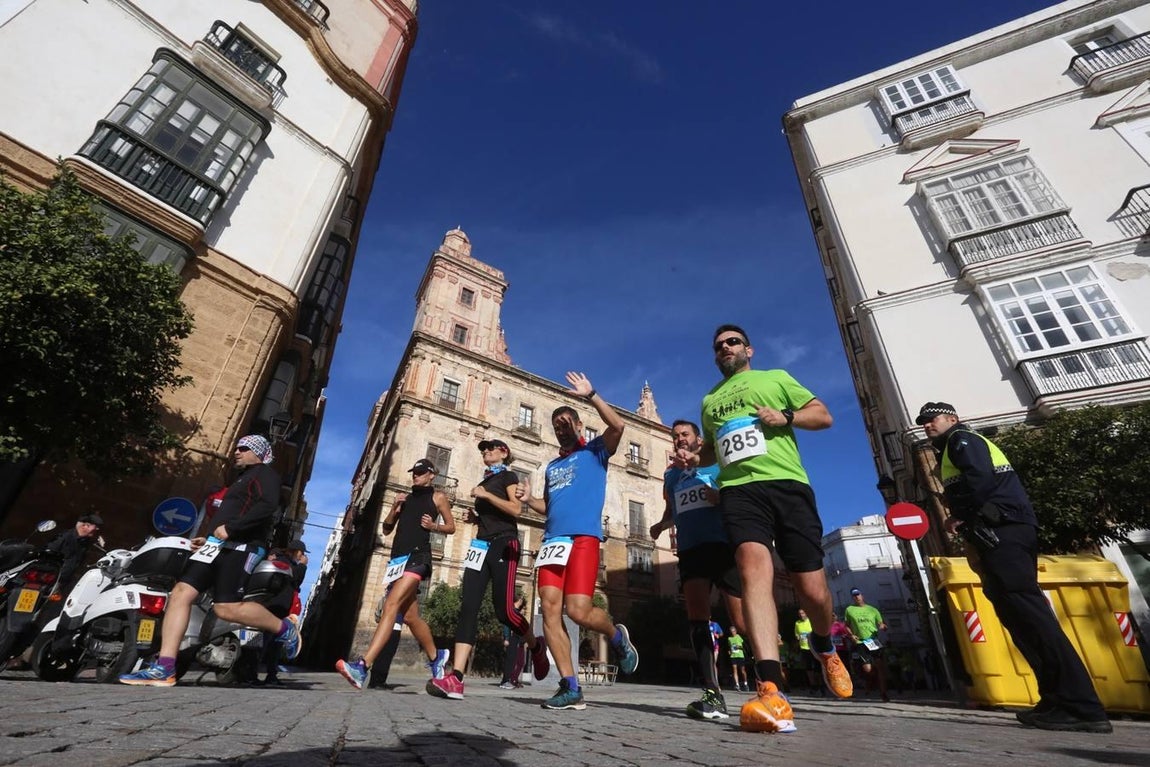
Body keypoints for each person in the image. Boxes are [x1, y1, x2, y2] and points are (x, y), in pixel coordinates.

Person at [673, 325, 852, 734]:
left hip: (787, 485)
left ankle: (824, 644)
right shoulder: (710, 401)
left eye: (732, 342)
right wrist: (692, 461)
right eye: (718, 346)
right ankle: (770, 684)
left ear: (748, 349)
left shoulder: (776, 379)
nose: (725, 349)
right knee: (754, 567)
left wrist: (785, 416)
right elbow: (712, 452)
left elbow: (823, 416)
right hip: (739, 491)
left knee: (812, 589)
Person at [918, 401, 1112, 733]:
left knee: (1030, 615)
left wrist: (965, 516)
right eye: (923, 422)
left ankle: (1082, 706)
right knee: (1019, 618)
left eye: (932, 419)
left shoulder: (962, 439)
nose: (926, 426)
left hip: (1003, 531)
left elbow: (981, 480)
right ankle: (1056, 700)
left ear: (952, 418)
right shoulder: (952, 447)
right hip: (998, 531)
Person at [120, 435, 302, 686]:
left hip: (242, 546)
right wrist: (208, 540)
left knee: (225, 608)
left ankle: (284, 629)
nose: (236, 452)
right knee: (180, 593)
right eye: (236, 447)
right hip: (215, 547)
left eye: (244, 448)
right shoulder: (241, 479)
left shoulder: (265, 474)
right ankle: (165, 668)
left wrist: (233, 528)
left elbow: (269, 505)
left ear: (259, 453)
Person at [516, 371, 639, 710]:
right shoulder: (553, 467)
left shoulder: (596, 451)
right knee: (550, 611)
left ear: (580, 426)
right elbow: (549, 505)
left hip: (584, 539)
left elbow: (618, 428)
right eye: (556, 424)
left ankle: (616, 635)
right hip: (553, 541)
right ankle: (570, 687)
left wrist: (592, 395)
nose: (561, 427)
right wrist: (529, 501)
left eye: (566, 422)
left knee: (579, 611)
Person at [428, 438, 549, 699]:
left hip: (506, 543)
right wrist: (476, 517)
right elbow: (491, 512)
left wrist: (485, 496)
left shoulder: (509, 476)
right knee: (468, 607)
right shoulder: (484, 481)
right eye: (483, 450)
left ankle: (536, 646)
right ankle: (456, 678)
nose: (485, 452)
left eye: (490, 449)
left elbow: (515, 510)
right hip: (480, 546)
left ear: (503, 452)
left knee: (505, 611)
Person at [651, 419, 747, 720]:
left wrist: (721, 498)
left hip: (722, 545)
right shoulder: (671, 475)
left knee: (743, 620)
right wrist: (661, 524)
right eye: (675, 436)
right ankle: (712, 693)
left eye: (685, 434)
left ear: (698, 439)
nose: (680, 439)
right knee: (697, 618)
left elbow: (740, 495)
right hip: (691, 549)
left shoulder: (716, 462)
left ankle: (769, 685)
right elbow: (673, 509)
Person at [336, 459, 454, 690]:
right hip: (398, 561)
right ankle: (436, 656)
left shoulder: (438, 497)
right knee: (410, 617)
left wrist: (434, 527)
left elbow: (451, 526)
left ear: (431, 475)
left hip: (419, 558)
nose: (415, 477)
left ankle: (362, 666)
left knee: (391, 605)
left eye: (420, 473)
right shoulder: (405, 498)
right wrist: (393, 508)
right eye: (414, 473)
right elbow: (387, 528)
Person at [258, 539, 308, 685]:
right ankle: (254, 673)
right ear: (297, 552)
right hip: (275, 607)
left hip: (277, 608)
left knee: (275, 642)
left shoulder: (284, 561)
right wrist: (303, 566)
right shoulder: (284, 562)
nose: (302, 556)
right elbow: (296, 579)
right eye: (301, 553)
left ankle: (271, 675)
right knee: (269, 641)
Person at [843, 588, 889, 701]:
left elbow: (881, 623)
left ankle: (883, 693)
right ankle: (872, 681)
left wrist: (883, 627)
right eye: (854, 596)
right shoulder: (849, 610)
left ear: (862, 596)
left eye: (858, 595)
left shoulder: (873, 610)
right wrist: (851, 635)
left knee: (880, 667)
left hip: (873, 640)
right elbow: (847, 625)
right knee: (868, 670)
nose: (857, 597)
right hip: (860, 642)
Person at [45, 514, 104, 593]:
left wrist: (102, 546)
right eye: (95, 527)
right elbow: (48, 554)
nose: (97, 529)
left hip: (64, 581)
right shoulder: (64, 537)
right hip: (50, 578)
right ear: (84, 526)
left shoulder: (85, 542)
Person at [499, 596, 529, 689]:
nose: (521, 602)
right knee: (510, 660)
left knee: (513, 660)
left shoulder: (516, 612)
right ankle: (505, 681)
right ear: (518, 600)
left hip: (515, 638)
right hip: (512, 638)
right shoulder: (511, 612)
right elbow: (506, 625)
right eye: (521, 600)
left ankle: (508, 680)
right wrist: (506, 638)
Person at [793, 608, 820, 694]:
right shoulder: (797, 623)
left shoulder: (811, 621)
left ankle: (820, 684)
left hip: (813, 647)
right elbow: (797, 634)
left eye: (803, 613)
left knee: (817, 667)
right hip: (804, 647)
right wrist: (797, 637)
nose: (801, 615)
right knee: (808, 668)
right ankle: (813, 685)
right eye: (800, 614)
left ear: (806, 613)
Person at [728, 626, 749, 693]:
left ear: (736, 631)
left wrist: (739, 647)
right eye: (731, 632)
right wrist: (729, 651)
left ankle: (745, 683)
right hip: (733, 656)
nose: (733, 633)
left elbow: (743, 646)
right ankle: (737, 685)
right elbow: (730, 647)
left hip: (740, 655)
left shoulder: (738, 637)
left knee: (742, 670)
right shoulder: (729, 638)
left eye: (734, 631)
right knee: (734, 669)